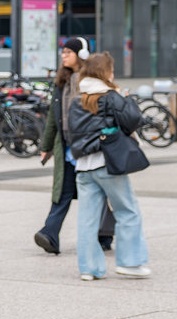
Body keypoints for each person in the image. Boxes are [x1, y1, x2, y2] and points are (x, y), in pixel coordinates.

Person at [66, 52, 152, 281]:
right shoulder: (110, 96)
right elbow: (134, 120)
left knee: (87, 220)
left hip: (83, 166)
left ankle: (89, 269)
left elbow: (71, 133)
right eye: (111, 70)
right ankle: (130, 263)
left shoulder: (77, 99)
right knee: (127, 211)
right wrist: (126, 99)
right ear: (104, 72)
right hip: (107, 163)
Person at [34, 38, 114, 257]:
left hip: (89, 146)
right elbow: (54, 117)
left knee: (98, 191)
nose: (64, 56)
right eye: (63, 52)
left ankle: (104, 234)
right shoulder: (62, 81)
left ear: (81, 54)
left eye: (68, 52)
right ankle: (49, 233)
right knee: (63, 191)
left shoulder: (90, 80)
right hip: (67, 148)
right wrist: (46, 145)